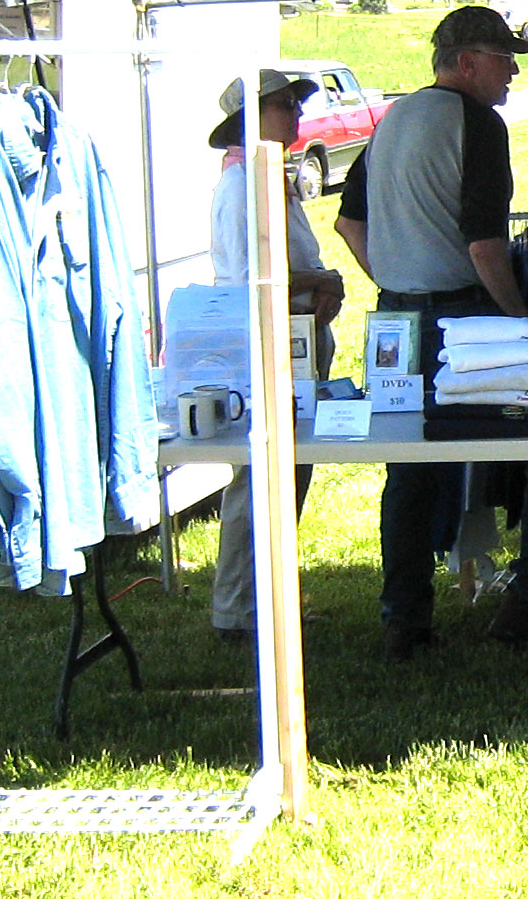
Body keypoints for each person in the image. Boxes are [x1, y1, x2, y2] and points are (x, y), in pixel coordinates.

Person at [335, 5, 528, 657]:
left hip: (396, 316)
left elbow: (349, 225)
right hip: (463, 316)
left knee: (409, 470)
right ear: (468, 61)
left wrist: (396, 277)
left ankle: (404, 619)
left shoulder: (391, 120)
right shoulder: (477, 123)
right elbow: (484, 245)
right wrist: (520, 324)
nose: (511, 76)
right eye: (504, 61)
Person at [206, 70, 348, 645]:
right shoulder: (241, 186)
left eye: (294, 103)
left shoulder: (268, 179)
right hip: (268, 346)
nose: (295, 114)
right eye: (284, 104)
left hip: (294, 340)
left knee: (287, 471)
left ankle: (265, 599)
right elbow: (250, 280)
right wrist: (320, 279)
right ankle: (238, 606)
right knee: (260, 475)